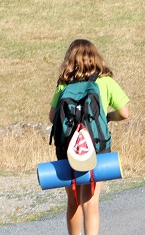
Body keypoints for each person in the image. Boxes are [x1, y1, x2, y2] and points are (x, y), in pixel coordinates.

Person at [49, 40, 130, 235]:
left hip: (68, 149)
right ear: (96, 58)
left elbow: (53, 117)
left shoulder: (64, 85)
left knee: (73, 200)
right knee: (90, 202)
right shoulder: (105, 81)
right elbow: (124, 113)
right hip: (97, 148)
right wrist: (107, 117)